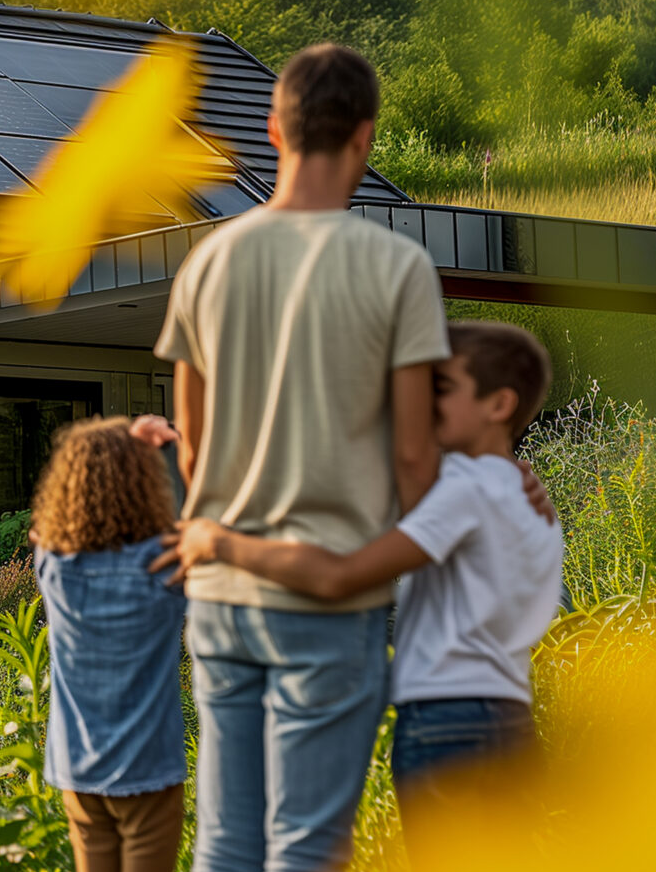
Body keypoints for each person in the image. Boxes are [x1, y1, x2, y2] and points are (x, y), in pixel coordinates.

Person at [131, 43, 449, 872]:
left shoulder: (210, 260)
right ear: (364, 139)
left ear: (273, 131)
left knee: (227, 853)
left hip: (221, 593)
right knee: (305, 863)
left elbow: (189, 442)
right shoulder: (395, 265)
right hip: (331, 600)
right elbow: (411, 463)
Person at [170, 320, 563, 811]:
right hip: (510, 721)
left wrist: (219, 543)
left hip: (451, 727)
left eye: (442, 389)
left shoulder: (467, 488)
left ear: (499, 405)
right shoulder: (525, 498)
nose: (423, 404)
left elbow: (338, 575)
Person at [29, 416, 190, 872]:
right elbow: (202, 529)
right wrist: (145, 441)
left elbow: (43, 528)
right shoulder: (164, 564)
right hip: (146, 773)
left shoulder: (55, 565)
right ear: (142, 483)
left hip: (76, 772)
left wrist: (113, 437)